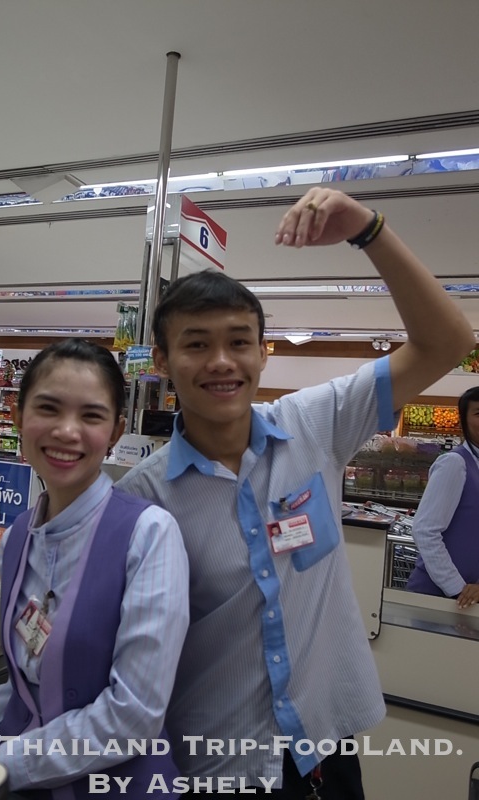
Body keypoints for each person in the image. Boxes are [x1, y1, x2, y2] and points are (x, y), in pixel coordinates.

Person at [116, 187, 475, 799]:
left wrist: (367, 228)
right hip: (218, 767)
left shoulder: (316, 423)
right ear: (164, 361)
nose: (221, 361)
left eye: (239, 341)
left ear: (263, 352)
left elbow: (448, 340)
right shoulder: (141, 499)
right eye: (196, 344)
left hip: (327, 748)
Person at [0, 339, 190, 799]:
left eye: (91, 416)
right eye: (48, 408)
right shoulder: (19, 535)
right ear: (18, 417)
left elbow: (134, 715)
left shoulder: (149, 535)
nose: (66, 431)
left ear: (116, 431)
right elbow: (26, 682)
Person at [406, 386, 479, 606]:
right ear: (463, 420)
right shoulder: (454, 464)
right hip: (439, 599)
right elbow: (425, 530)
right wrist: (457, 588)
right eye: (478, 413)